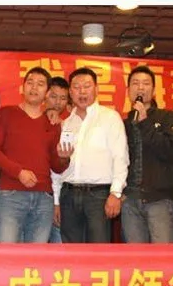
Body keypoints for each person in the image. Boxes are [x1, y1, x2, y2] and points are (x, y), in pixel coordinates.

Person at [0, 67, 67, 243]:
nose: (34, 87)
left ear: (47, 92)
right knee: (7, 252)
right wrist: (18, 172)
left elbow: (57, 167)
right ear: (22, 87)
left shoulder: (52, 122)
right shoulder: (6, 113)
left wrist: (64, 157)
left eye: (40, 84)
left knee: (36, 255)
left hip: (44, 198)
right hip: (11, 195)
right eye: (30, 82)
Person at [55, 67, 129, 243]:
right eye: (76, 87)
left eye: (87, 86)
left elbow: (120, 157)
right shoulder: (65, 124)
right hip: (68, 195)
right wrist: (56, 201)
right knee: (71, 250)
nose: (82, 91)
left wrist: (116, 193)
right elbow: (57, 168)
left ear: (96, 89)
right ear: (70, 92)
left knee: (98, 250)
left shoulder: (110, 117)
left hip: (98, 196)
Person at [122, 66, 173, 244]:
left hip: (159, 199)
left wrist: (145, 122)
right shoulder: (123, 123)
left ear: (154, 90)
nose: (140, 88)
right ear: (128, 90)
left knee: (162, 255)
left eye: (146, 83)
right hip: (130, 199)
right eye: (135, 83)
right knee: (135, 256)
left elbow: (169, 151)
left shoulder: (168, 118)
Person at [45, 76, 71, 244]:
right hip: (35, 194)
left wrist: (56, 202)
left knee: (59, 247)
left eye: (63, 98)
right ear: (45, 95)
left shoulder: (66, 127)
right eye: (54, 96)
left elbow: (59, 171)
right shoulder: (33, 122)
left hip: (57, 197)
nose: (57, 102)